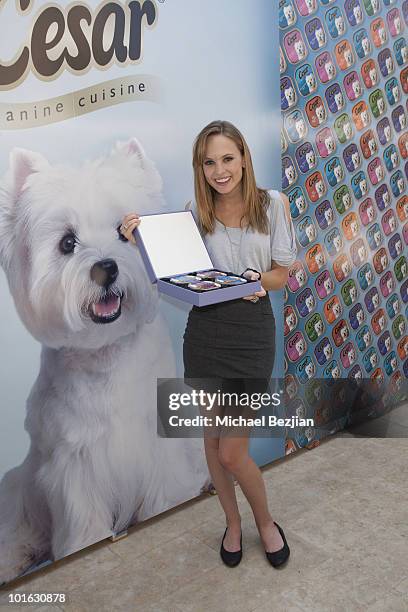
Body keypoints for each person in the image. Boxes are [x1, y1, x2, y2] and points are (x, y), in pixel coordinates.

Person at [120, 120, 297, 568]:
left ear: (243, 158)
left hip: (252, 332)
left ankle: (266, 523)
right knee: (212, 439)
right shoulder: (192, 214)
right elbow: (174, 270)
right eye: (210, 162)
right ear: (201, 167)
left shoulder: (271, 204)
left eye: (228, 159)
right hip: (205, 333)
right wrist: (138, 235)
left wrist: (260, 279)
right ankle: (232, 525)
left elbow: (281, 273)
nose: (220, 170)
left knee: (231, 451)